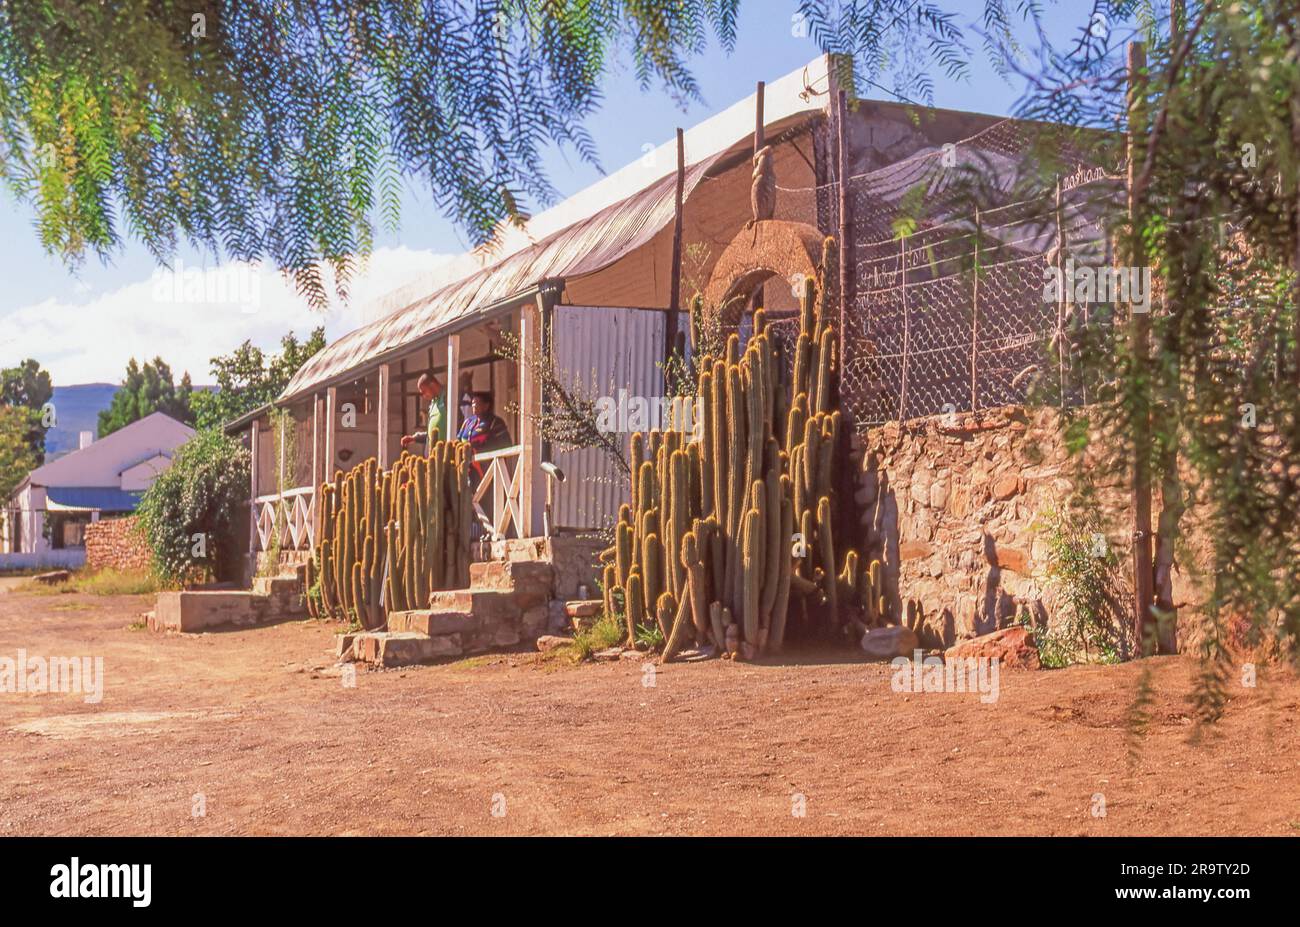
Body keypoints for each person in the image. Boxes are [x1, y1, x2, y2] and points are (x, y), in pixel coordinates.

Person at [457, 391, 511, 477]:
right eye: (473, 403)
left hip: (486, 469)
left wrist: (480, 448)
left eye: (477, 403)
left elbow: (506, 444)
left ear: (486, 406)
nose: (474, 406)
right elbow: (458, 441)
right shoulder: (468, 422)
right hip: (467, 470)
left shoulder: (495, 423)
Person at [399, 373, 445, 453]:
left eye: (424, 391)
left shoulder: (448, 397)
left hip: (447, 454)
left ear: (432, 385)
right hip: (432, 456)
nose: (423, 396)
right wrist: (415, 438)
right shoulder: (433, 403)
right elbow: (430, 433)